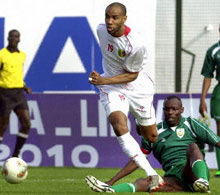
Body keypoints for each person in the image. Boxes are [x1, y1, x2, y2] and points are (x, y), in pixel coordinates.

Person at [88, 2, 164, 191]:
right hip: (112, 87)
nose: (109, 21)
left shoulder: (136, 45)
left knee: (151, 137)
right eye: (107, 16)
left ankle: (142, 123)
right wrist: (104, 81)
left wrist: (104, 81)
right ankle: (152, 173)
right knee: (118, 122)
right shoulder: (100, 30)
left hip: (137, 87)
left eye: (114, 17)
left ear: (124, 19)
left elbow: (132, 75)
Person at [85, 95, 220, 193]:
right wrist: (111, 181)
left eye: (174, 109)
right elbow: (138, 159)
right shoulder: (153, 132)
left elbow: (217, 141)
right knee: (144, 182)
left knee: (192, 147)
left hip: (191, 172)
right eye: (167, 109)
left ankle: (203, 182)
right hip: (174, 178)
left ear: (182, 110)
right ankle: (110, 190)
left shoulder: (191, 123)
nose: (170, 113)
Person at [0, 29, 31, 158]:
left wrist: (24, 86)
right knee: (2, 126)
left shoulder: (22, 55)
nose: (14, 39)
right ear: (8, 38)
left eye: (16, 37)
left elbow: (16, 73)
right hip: (4, 93)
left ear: (19, 39)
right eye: (12, 36)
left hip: (18, 93)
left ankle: (15, 155)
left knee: (26, 123)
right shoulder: (2, 54)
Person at [199, 24, 220, 177]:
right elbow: (208, 75)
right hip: (219, 94)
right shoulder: (213, 51)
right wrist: (202, 98)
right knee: (219, 132)